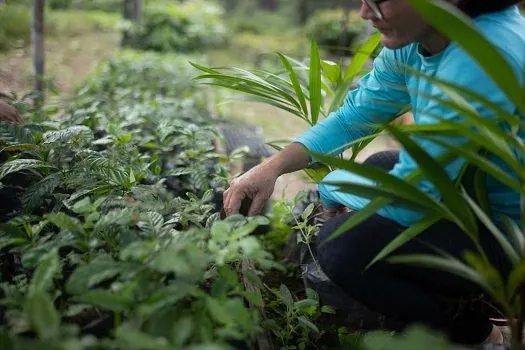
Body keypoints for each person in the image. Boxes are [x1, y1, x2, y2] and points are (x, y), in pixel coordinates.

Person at [223, 0, 525, 346]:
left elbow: (417, 193)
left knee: (342, 248)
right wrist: (271, 168)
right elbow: (358, 114)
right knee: (379, 166)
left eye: (379, 1)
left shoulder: (482, 58)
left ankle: (482, 335)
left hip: (509, 234)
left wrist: (336, 186)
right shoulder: (423, 37)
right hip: (470, 199)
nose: (365, 14)